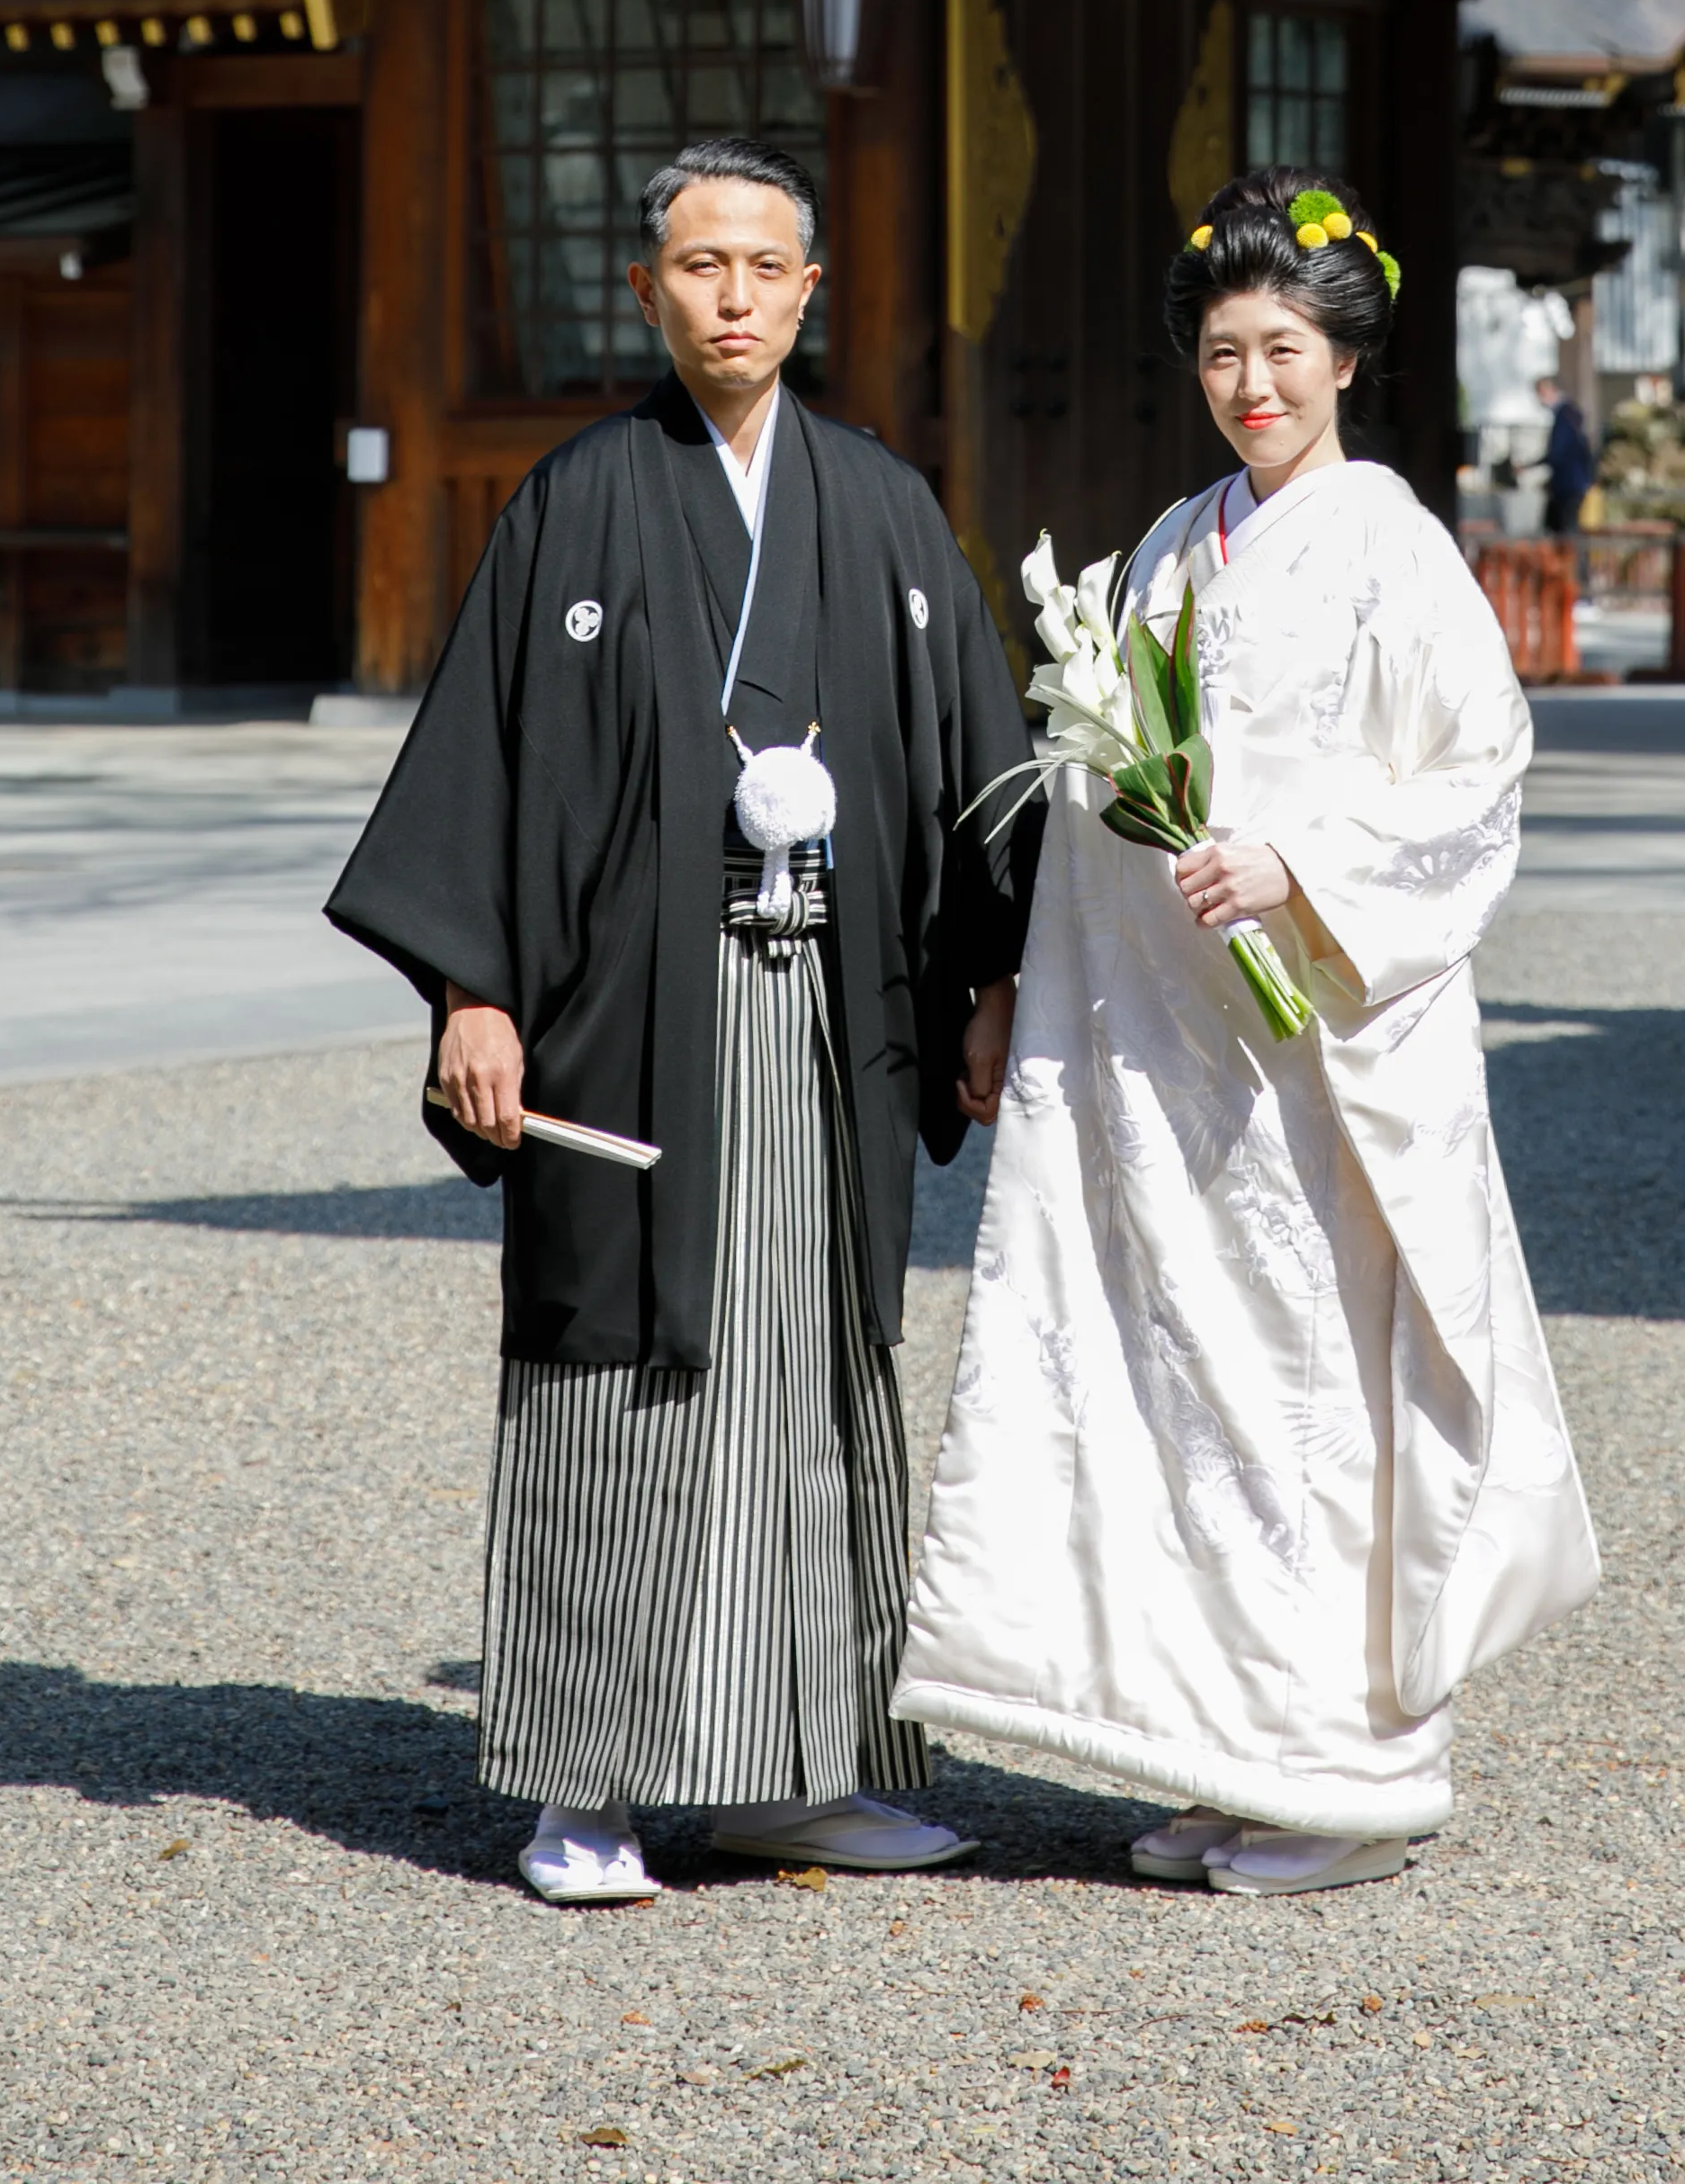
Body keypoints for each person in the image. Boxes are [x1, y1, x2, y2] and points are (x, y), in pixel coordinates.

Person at [327, 141, 1030, 1908]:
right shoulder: (573, 503)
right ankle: (587, 1789)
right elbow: (484, 765)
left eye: (763, 266)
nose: (731, 295)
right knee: (619, 1371)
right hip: (626, 1023)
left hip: (835, 1021)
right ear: (647, 291)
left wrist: (993, 980)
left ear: (809, 290)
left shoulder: (882, 507)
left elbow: (976, 763)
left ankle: (805, 1771)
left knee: (814, 1369)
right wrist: (472, 991)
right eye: (698, 265)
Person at [893, 163, 1600, 1897]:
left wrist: (1304, 866)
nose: (1253, 384)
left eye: (1284, 349)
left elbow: (1479, 777)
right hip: (1181, 1052)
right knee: (1193, 1388)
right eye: (1224, 354)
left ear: (1346, 358)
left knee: (1318, 1392)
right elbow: (1096, 788)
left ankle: (1352, 1777)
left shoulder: (1394, 546)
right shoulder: (1167, 546)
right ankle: (1229, 1750)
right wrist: (1030, 991)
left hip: (1327, 1047)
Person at [1537, 376, 1598, 536]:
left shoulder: (1565, 416)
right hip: (1571, 482)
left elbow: (1559, 451)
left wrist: (1534, 466)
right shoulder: (1568, 415)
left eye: (1542, 393)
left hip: (1569, 484)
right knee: (1560, 528)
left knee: (1564, 530)